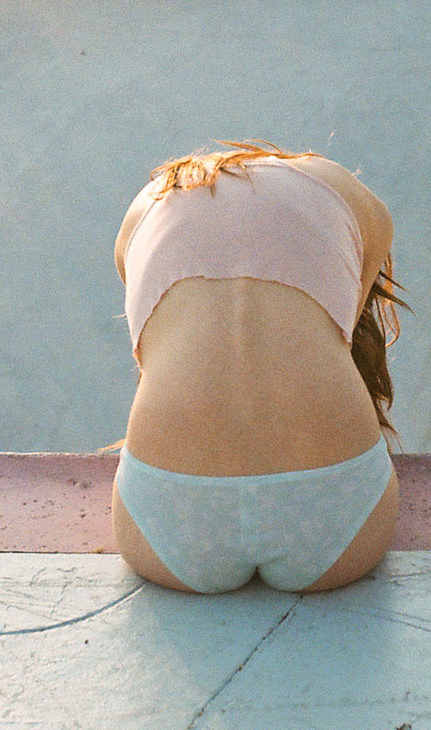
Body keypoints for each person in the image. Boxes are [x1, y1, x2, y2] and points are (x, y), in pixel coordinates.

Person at [111, 141, 403, 593]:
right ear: (286, 161)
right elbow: (344, 332)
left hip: (168, 518)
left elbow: (158, 355)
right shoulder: (340, 187)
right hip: (340, 515)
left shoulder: (143, 209)